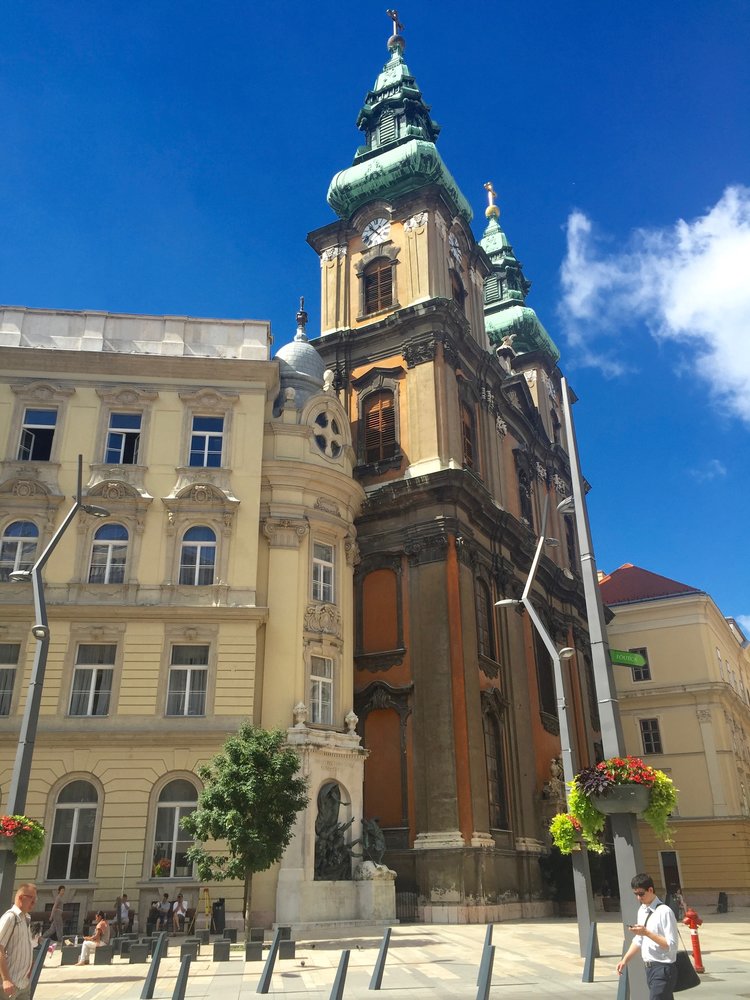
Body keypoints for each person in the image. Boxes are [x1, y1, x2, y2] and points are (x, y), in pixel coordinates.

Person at [617, 873, 678, 999]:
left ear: (650, 890)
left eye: (641, 894)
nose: (638, 898)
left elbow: (670, 944)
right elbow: (639, 940)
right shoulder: (642, 910)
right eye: (636, 894)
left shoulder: (664, 912)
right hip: (649, 968)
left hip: (663, 968)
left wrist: (646, 932)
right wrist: (625, 960)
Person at [0, 883, 37, 1000]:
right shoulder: (11, 917)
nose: (34, 902)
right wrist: (6, 979)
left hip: (23, 984)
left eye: (36, 899)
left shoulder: (26, 918)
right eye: (32, 898)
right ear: (21, 897)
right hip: (9, 984)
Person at [47, 885, 65, 952]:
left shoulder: (60, 898)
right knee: (59, 927)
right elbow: (54, 907)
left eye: (64, 891)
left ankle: (44, 936)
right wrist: (51, 916)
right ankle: (60, 940)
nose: (63, 892)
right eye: (62, 890)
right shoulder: (58, 898)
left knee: (53, 929)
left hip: (58, 913)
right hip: (57, 914)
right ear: (59, 891)